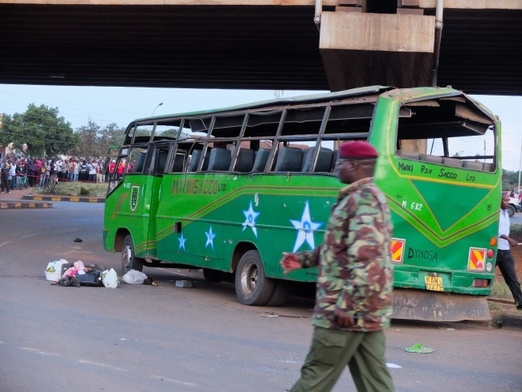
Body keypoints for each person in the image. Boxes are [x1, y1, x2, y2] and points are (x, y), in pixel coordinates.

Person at [280, 141, 394, 392]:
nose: (336, 168)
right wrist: (304, 259)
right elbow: (340, 248)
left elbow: (367, 259)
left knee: (315, 376)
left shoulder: (363, 201)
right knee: (376, 383)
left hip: (344, 310)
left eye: (340, 163)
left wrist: (347, 305)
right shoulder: (361, 198)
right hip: (364, 311)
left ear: (353, 166)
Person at [497, 191, 522, 310]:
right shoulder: (495, 213)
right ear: (499, 200)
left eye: (508, 201)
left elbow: (505, 230)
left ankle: (520, 301)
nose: (507, 203)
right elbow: (496, 231)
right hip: (495, 250)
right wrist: (509, 239)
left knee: (512, 278)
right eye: (505, 200)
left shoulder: (506, 213)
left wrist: (510, 239)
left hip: (505, 251)